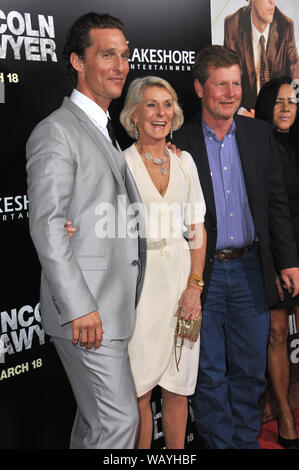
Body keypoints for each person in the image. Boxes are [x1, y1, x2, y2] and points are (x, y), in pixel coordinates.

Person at [26, 12, 146, 449]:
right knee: (118, 427)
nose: (121, 65)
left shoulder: (104, 129)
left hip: (110, 309)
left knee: (94, 427)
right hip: (87, 314)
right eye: (107, 54)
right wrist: (79, 307)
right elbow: (47, 224)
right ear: (77, 61)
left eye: (125, 54)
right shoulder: (57, 132)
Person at [66, 76, 207, 449]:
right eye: (151, 105)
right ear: (134, 114)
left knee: (178, 389)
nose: (160, 113)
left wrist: (195, 286)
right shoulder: (121, 163)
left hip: (181, 284)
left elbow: (197, 230)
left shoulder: (185, 161)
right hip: (138, 289)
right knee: (139, 392)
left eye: (167, 105)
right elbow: (100, 220)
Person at [172, 44, 299, 449]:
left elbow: (276, 204)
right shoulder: (179, 141)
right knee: (208, 374)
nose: (230, 93)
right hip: (201, 276)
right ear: (199, 88)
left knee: (249, 371)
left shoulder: (260, 134)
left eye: (236, 84)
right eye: (220, 85)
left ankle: (245, 444)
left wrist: (289, 262)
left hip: (250, 270)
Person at [255, 76, 299, 449]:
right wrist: (274, 260)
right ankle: (284, 413)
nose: (286, 108)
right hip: (273, 250)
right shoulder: (256, 146)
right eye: (279, 101)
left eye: (292, 101)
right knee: (277, 334)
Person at [224, 0, 299, 112]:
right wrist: (241, 111)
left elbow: (295, 80)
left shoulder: (285, 26)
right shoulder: (233, 24)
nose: (272, 2)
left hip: (276, 115)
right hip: (247, 114)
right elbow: (227, 78)